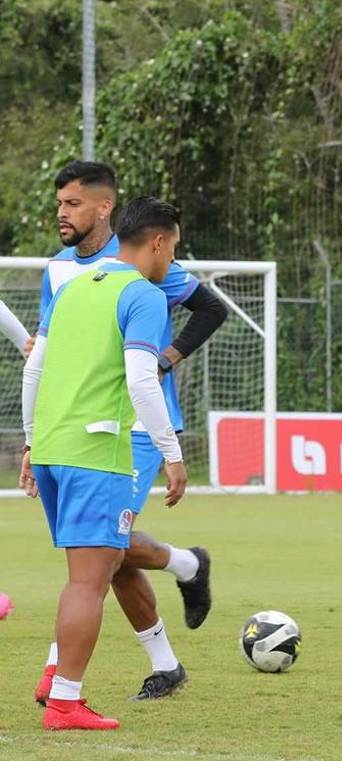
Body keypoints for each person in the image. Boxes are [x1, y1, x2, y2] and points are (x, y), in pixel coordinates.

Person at [32, 162, 226, 704]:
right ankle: (185, 576)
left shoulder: (152, 267)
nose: (63, 214)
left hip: (140, 424)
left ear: (104, 209)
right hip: (81, 428)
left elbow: (210, 308)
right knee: (104, 549)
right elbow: (42, 355)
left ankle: (59, 676)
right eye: (60, 204)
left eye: (73, 204)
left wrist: (169, 357)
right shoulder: (60, 273)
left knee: (100, 551)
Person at [20, 196, 189, 730]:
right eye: (175, 247)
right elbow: (142, 379)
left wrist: (30, 444)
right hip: (97, 454)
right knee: (89, 583)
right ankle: (66, 701)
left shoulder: (70, 289)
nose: (171, 259)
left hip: (51, 451)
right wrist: (172, 454)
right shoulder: (143, 294)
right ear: (158, 242)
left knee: (81, 578)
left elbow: (33, 372)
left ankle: (56, 680)